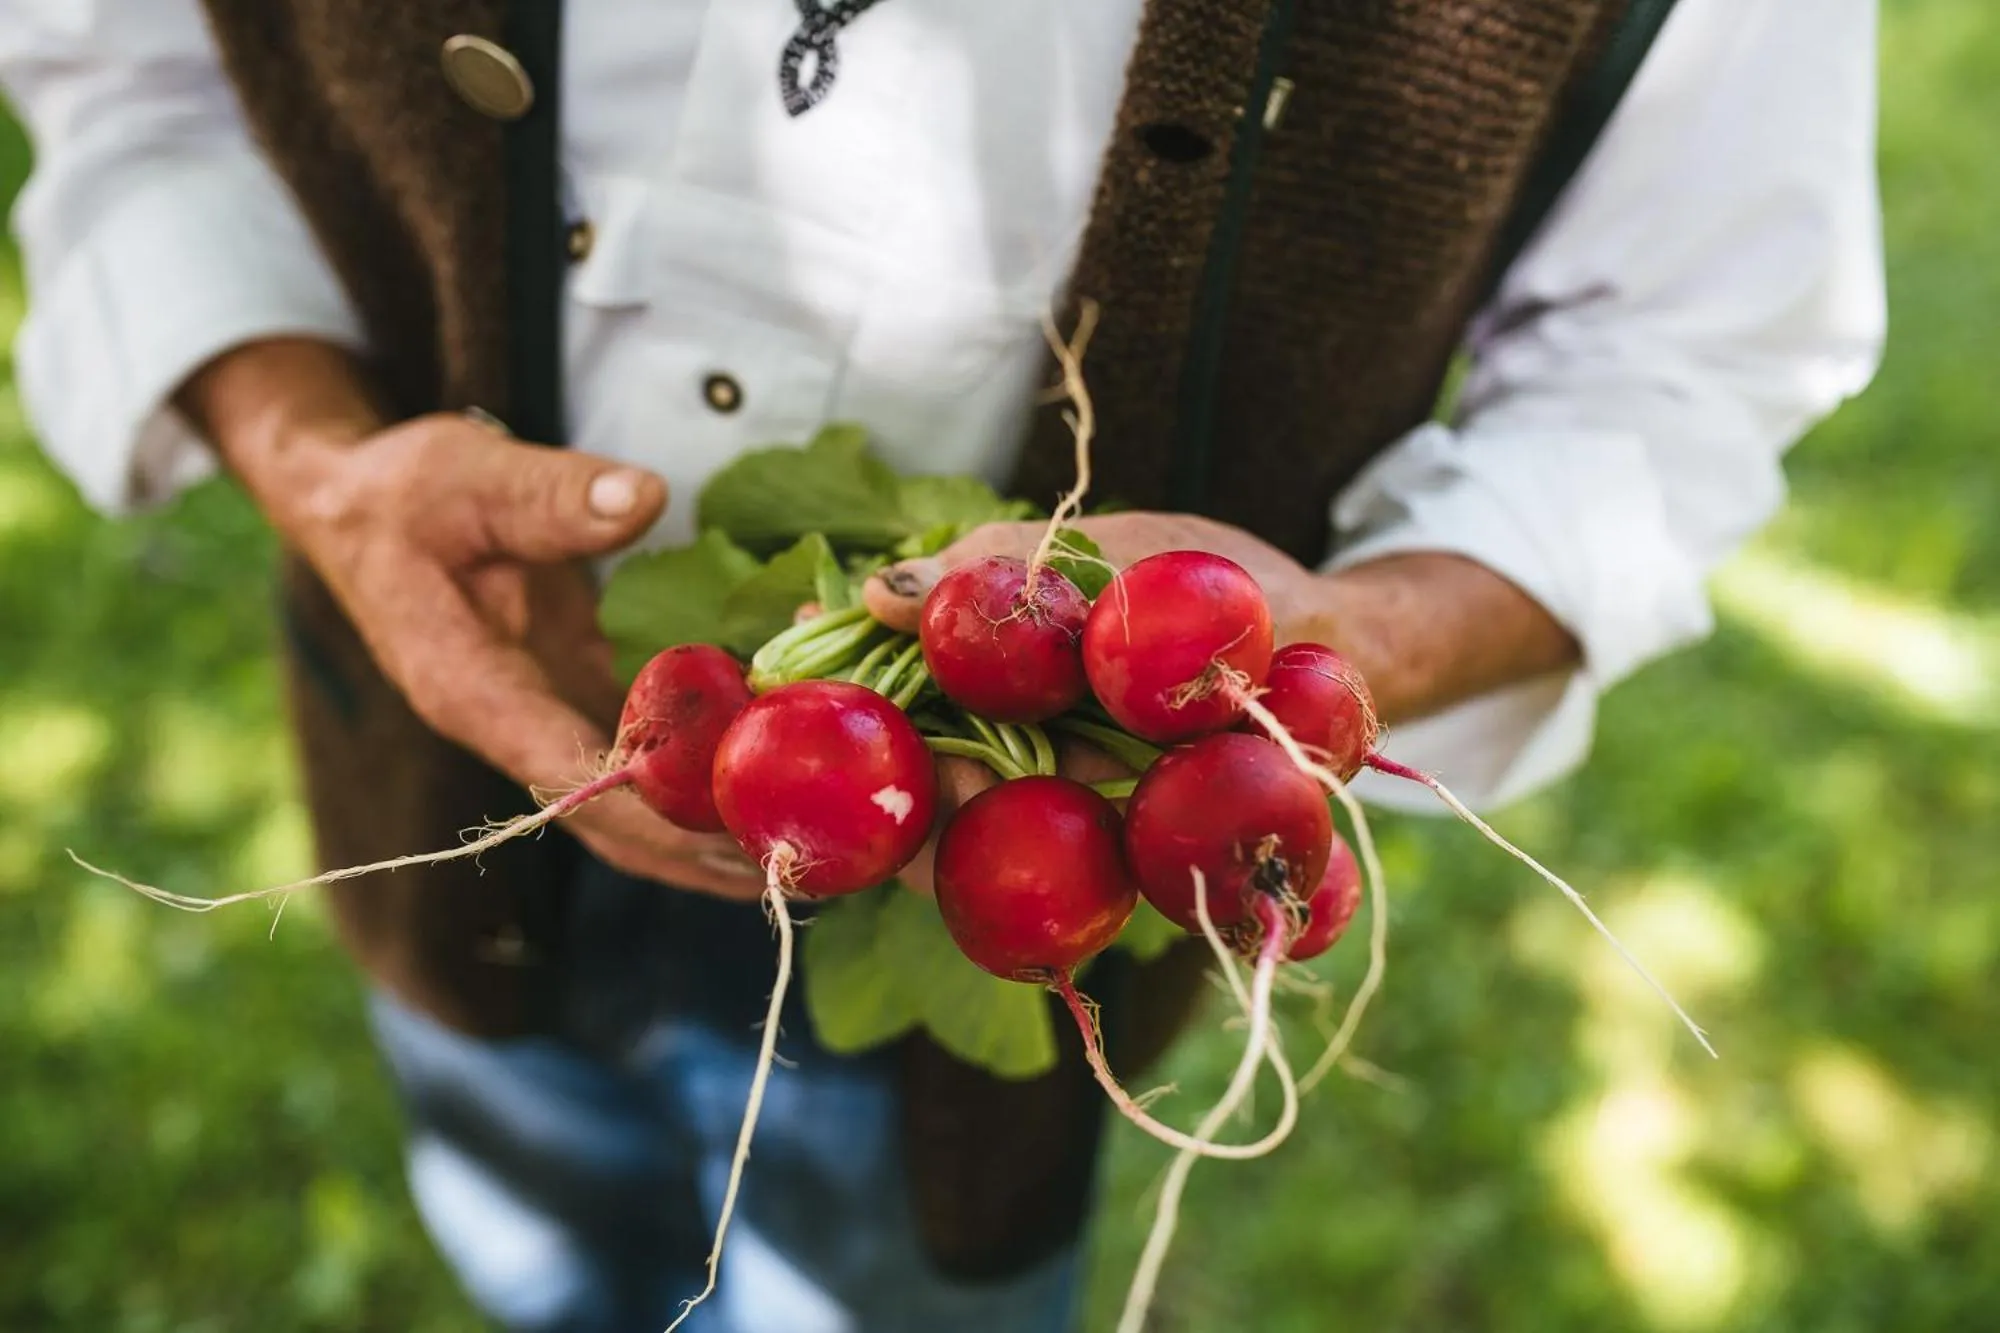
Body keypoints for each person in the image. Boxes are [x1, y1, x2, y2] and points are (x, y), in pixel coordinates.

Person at [0, 1, 1883, 1329]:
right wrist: (324, 476)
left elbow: (1686, 362)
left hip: (1030, 901)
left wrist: (1346, 640)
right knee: (539, 1242)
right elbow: (137, 80)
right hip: (451, 770)